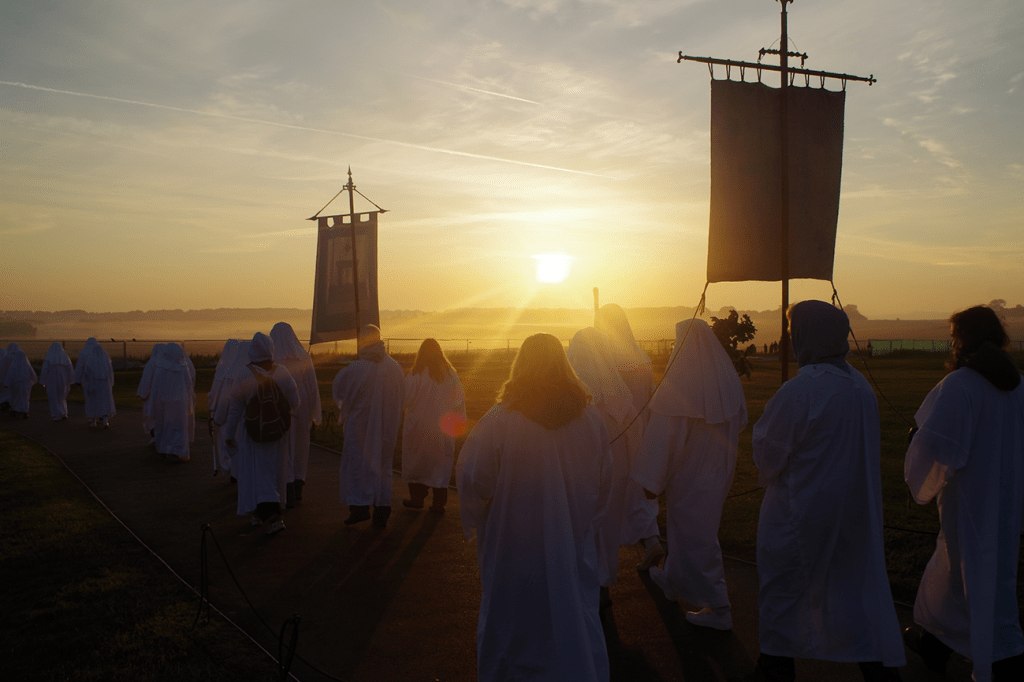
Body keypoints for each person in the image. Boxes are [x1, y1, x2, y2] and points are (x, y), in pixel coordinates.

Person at [751, 300, 904, 682]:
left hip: (799, 511)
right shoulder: (858, 384)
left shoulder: (801, 390)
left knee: (783, 589)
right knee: (853, 593)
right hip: (851, 510)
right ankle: (878, 669)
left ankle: (774, 670)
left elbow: (768, 455)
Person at [457, 333, 613, 682]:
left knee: (515, 621)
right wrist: (578, 522)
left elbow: (476, 482)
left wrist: (486, 513)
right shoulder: (592, 422)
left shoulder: (500, 421)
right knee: (571, 617)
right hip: (572, 545)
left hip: (513, 548)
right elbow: (604, 489)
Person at [903, 305, 1024, 682]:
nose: (952, 343)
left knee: (966, 572)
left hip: (970, 499)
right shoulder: (1018, 382)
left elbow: (939, 446)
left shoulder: (960, 384)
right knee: (988, 574)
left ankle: (998, 658)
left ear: (963, 340)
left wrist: (917, 449)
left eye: (954, 336)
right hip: (1006, 498)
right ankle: (939, 645)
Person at [629, 318, 747, 630]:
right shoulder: (728, 379)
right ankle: (671, 579)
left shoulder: (679, 389)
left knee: (697, 536)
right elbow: (742, 421)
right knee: (688, 530)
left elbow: (663, 440)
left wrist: (649, 482)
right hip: (720, 471)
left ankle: (719, 606)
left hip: (690, 476)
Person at [566, 327, 658, 610]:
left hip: (584, 480)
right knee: (605, 533)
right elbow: (636, 437)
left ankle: (587, 590)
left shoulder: (579, 403)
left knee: (582, 533)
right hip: (617, 477)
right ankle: (604, 584)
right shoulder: (622, 399)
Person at [595, 303, 663, 568]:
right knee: (640, 490)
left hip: (615, 432)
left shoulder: (606, 360)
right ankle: (651, 540)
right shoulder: (642, 358)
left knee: (609, 495)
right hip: (642, 431)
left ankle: (604, 563)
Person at [224, 333, 299, 534]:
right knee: (273, 472)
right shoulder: (282, 371)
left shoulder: (243, 375)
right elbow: (295, 401)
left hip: (253, 434)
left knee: (257, 473)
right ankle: (261, 512)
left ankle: (271, 516)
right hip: (278, 433)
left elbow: (234, 410)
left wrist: (229, 435)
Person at [332, 324, 405, 528]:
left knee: (358, 465)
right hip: (387, 429)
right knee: (383, 467)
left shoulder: (355, 369)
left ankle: (359, 506)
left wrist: (346, 411)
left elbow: (339, 393)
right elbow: (403, 397)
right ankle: (382, 508)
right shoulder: (395, 367)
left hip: (359, 428)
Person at [401, 338, 465, 513]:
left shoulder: (416, 374)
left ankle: (417, 499)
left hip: (418, 428)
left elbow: (404, 399)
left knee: (417, 464)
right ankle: (438, 504)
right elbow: (459, 400)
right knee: (440, 465)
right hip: (442, 428)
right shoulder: (450, 374)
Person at [270, 322, 322, 507]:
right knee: (300, 445)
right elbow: (313, 387)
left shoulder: (272, 359)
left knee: (283, 448)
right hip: (302, 406)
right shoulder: (303, 357)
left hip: (278, 408)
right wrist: (315, 415)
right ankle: (298, 483)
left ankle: (286, 485)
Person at [148, 343, 196, 461]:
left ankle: (164, 448)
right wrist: (189, 404)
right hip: (179, 402)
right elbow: (189, 387)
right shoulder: (183, 368)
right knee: (178, 427)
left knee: (163, 426)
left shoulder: (160, 368)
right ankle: (177, 450)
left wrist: (153, 406)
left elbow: (155, 388)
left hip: (162, 402)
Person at [207, 340, 241, 477]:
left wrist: (216, 412)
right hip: (240, 415)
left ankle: (232, 469)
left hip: (226, 413)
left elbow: (216, 393)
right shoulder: (244, 369)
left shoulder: (222, 370)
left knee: (227, 442)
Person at [72, 338, 116, 428]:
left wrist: (78, 381)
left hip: (91, 384)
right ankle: (105, 420)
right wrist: (111, 383)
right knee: (104, 402)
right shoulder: (106, 359)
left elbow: (83, 370)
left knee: (91, 402)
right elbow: (110, 373)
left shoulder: (87, 356)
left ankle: (93, 421)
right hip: (105, 385)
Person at [137, 344, 167, 442]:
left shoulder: (151, 363)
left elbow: (146, 380)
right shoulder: (168, 362)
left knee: (152, 417)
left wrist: (143, 394)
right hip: (165, 396)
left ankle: (156, 437)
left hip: (152, 396)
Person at [39, 342, 73, 421]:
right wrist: (71, 380)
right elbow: (70, 370)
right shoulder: (65, 358)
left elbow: (44, 370)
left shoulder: (48, 357)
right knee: (62, 396)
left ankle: (57, 414)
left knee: (53, 397)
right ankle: (64, 412)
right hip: (63, 380)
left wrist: (43, 381)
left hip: (52, 380)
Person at [3, 345, 37, 419]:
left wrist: (6, 384)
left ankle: (16, 411)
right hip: (27, 384)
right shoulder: (27, 366)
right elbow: (33, 374)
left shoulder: (14, 366)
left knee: (15, 398)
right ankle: (25, 411)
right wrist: (34, 381)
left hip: (16, 385)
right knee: (25, 398)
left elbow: (10, 375)